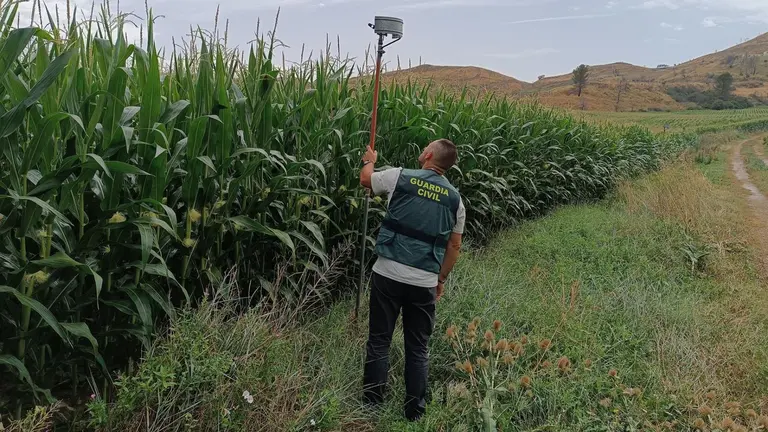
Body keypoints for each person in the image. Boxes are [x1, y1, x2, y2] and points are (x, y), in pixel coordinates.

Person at [359, 138, 466, 421]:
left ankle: (371, 405)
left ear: (429, 155)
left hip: (388, 273)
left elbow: (366, 180)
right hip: (424, 282)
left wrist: (370, 159)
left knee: (379, 340)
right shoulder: (456, 200)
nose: (421, 149)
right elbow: (454, 247)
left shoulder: (400, 176)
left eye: (425, 147)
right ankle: (414, 413)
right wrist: (440, 278)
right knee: (418, 348)